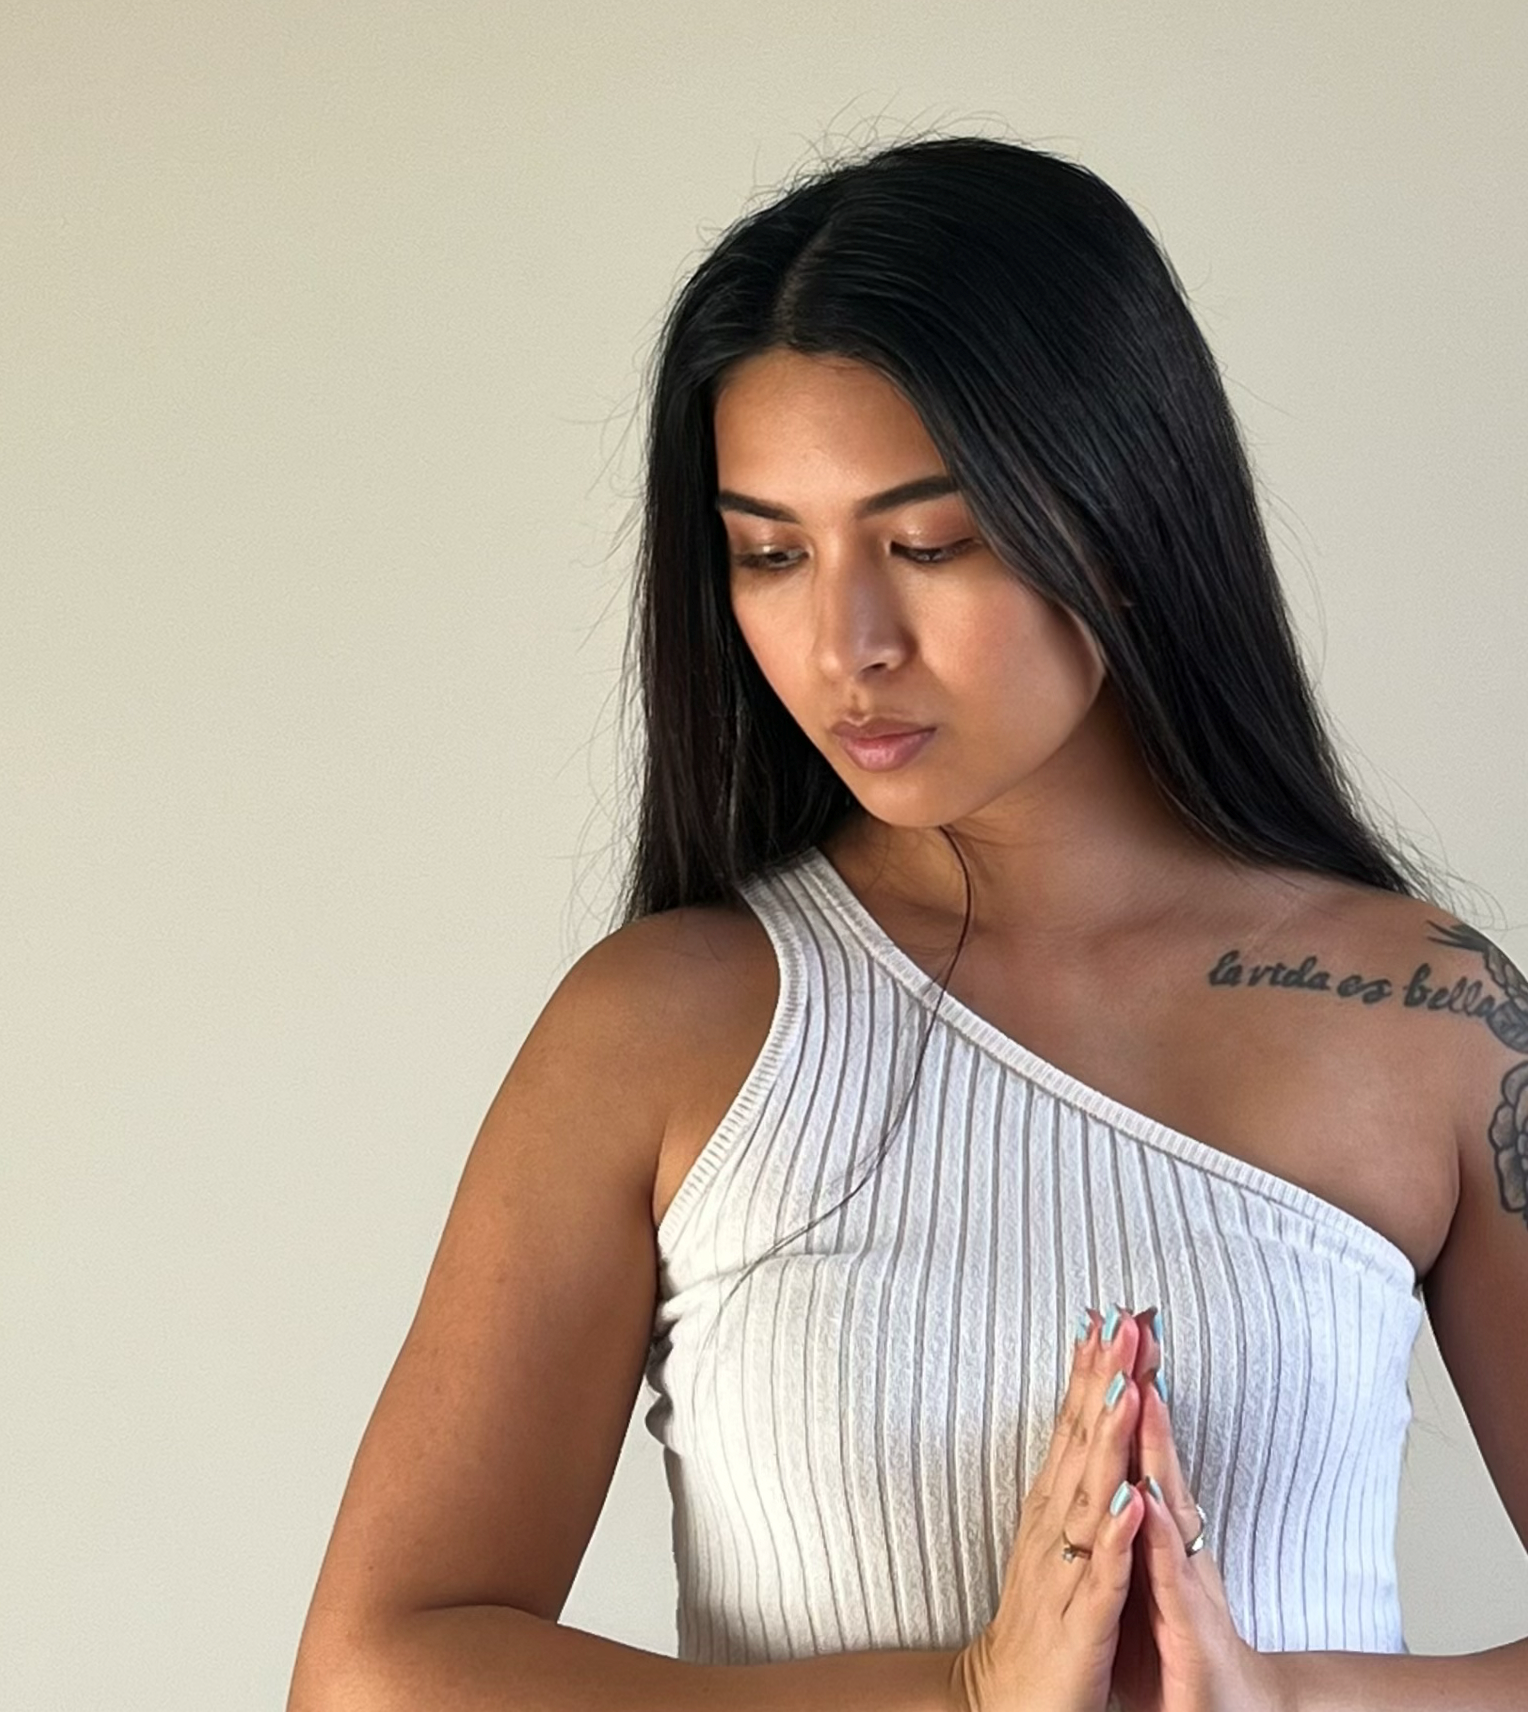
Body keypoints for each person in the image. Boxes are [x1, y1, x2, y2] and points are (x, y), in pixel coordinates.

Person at [285, 132, 1528, 1712]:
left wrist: (1281, 1702)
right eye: (770, 554)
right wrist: (961, 1695)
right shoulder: (663, 1029)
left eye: (930, 544)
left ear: (1126, 517)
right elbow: (371, 1671)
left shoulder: (1428, 1025)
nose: (844, 643)